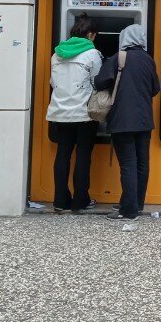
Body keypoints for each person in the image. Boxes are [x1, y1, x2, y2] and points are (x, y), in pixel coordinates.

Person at [94, 24, 160, 231]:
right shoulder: (148, 60)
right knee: (142, 163)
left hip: (123, 119)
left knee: (128, 164)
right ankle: (136, 204)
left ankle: (128, 210)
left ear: (124, 38)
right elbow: (155, 88)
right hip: (144, 119)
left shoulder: (118, 58)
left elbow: (99, 82)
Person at [45, 13, 102, 213]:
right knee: (83, 156)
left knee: (63, 155)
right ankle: (80, 201)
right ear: (91, 34)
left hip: (60, 112)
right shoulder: (92, 53)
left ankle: (60, 201)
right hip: (84, 113)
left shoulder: (57, 54)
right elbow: (97, 82)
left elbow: (53, 82)